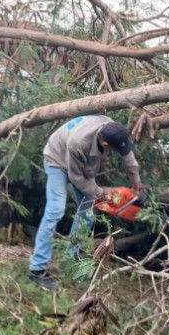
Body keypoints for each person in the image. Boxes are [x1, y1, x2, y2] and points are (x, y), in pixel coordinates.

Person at [30, 115, 145, 290]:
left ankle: (71, 262)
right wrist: (102, 194)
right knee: (56, 209)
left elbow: (128, 159)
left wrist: (137, 183)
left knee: (88, 213)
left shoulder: (113, 129)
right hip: (57, 159)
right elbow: (76, 178)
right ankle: (37, 270)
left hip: (82, 165)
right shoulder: (79, 142)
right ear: (106, 145)